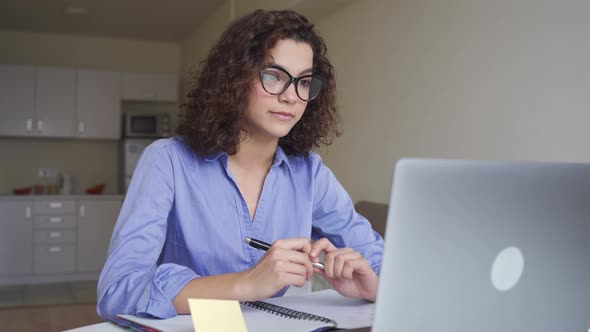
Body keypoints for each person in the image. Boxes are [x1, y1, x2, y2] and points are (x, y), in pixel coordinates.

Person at [97, 9, 383, 320]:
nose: (291, 96)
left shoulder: (309, 173)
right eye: (274, 75)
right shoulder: (167, 161)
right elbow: (119, 291)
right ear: (235, 77)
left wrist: (373, 286)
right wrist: (247, 284)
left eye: (304, 81)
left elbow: (382, 263)